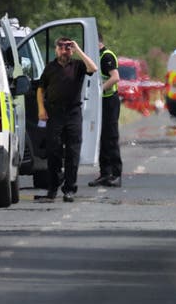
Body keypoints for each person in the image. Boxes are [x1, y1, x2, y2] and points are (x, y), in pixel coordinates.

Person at [34, 37, 98, 203]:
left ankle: (69, 189)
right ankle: (53, 187)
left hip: (73, 112)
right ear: (56, 50)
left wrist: (78, 50)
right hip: (54, 112)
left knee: (72, 152)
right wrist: (41, 109)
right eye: (61, 48)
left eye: (68, 48)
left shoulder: (78, 65)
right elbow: (40, 89)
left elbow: (93, 68)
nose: (65, 51)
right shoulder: (50, 67)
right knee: (53, 150)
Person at [89, 34, 123, 188]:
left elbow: (115, 77)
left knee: (111, 137)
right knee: (101, 137)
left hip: (109, 101)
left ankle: (116, 174)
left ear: (98, 42)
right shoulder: (96, 57)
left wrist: (99, 89)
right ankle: (105, 173)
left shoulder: (106, 56)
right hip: (101, 101)